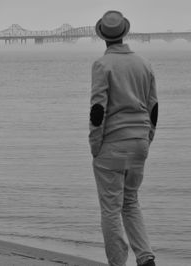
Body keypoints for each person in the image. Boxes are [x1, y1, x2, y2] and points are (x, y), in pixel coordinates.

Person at [89, 10, 158, 266]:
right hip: (139, 142)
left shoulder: (102, 65)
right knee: (130, 202)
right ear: (124, 32)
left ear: (103, 37)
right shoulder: (144, 63)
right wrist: (147, 139)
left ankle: (118, 263)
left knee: (110, 208)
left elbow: (98, 111)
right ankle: (146, 257)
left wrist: (95, 145)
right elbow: (154, 108)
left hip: (112, 144)